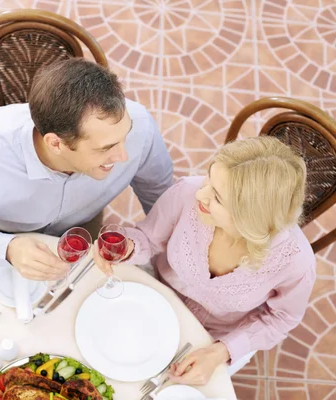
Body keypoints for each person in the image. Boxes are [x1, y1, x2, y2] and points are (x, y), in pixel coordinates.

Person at [93, 136, 316, 384]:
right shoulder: (186, 193)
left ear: (251, 218)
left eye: (217, 197)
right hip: (155, 298)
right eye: (208, 179)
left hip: (216, 339)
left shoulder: (295, 261)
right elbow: (149, 238)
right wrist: (126, 246)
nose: (200, 193)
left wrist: (219, 352)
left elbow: (282, 318)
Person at [0, 58, 174, 281]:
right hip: (4, 235)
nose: (124, 156)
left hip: (83, 227)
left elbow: (165, 204)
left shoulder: (141, 125)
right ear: (55, 143)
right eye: (106, 148)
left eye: (125, 136)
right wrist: (8, 248)